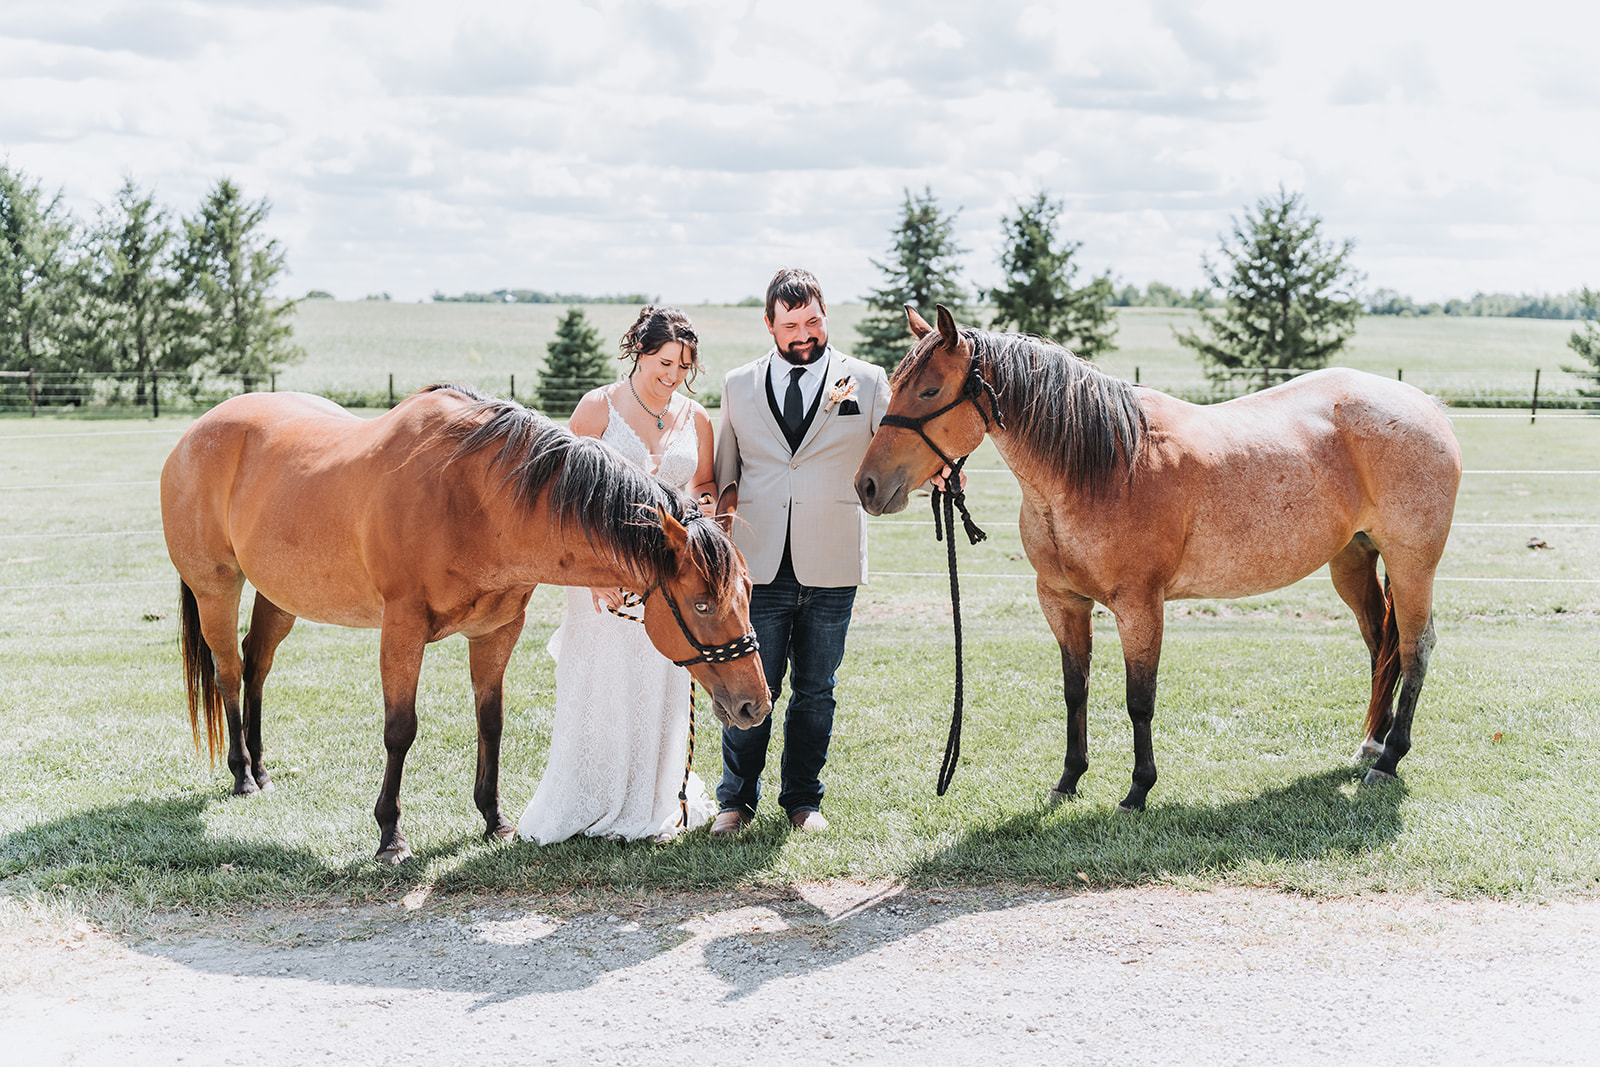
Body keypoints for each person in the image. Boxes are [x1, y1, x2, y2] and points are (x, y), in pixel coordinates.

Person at [517, 306, 720, 844]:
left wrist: (701, 523)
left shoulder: (696, 419)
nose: (672, 374)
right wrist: (590, 577)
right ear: (639, 353)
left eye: (683, 364)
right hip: (603, 583)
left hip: (667, 585)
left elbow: (704, 487)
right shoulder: (597, 407)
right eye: (663, 360)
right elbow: (561, 501)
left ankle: (653, 797)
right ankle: (590, 798)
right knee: (601, 689)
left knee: (660, 687)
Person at [710, 268, 890, 835]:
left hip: (832, 559)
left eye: (813, 320)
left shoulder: (866, 380)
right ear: (770, 325)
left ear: (825, 315)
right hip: (757, 565)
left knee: (816, 689)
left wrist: (940, 476)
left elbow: (896, 455)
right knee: (749, 683)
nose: (804, 333)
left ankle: (803, 802)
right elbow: (726, 476)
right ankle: (735, 802)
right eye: (791, 325)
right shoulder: (739, 385)